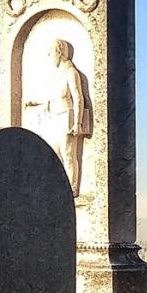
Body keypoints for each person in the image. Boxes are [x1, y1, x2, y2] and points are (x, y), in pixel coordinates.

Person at [25, 39, 91, 196]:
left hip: (65, 118)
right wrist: (34, 102)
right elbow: (51, 98)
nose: (49, 55)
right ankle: (57, 188)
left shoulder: (70, 72)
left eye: (51, 52)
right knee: (53, 154)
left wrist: (78, 122)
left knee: (68, 154)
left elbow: (78, 98)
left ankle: (72, 189)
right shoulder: (56, 75)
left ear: (60, 53)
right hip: (54, 119)